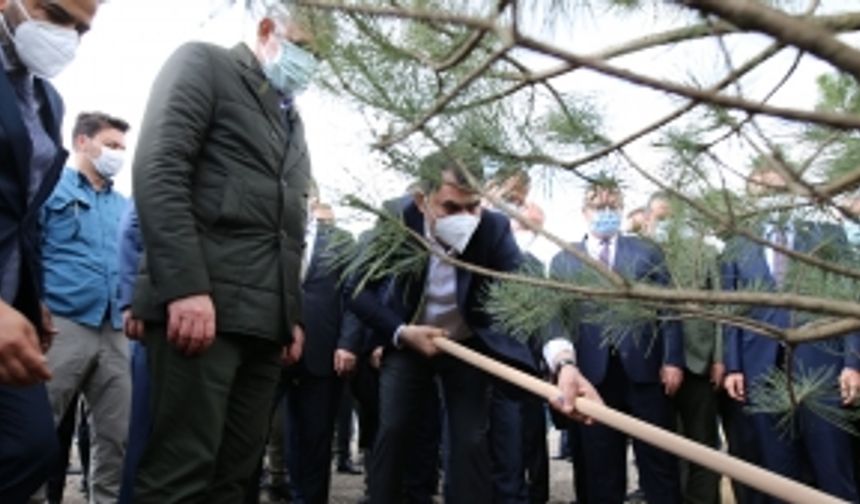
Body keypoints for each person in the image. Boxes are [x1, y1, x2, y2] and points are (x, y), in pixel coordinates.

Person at [128, 2, 320, 501]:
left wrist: (290, 317)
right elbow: (159, 170)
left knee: (236, 479)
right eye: (304, 45)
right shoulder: (204, 66)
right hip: (202, 311)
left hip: (263, 324)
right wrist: (186, 286)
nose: (310, 60)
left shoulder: (292, 122)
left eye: (319, 54)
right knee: (180, 473)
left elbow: (289, 227)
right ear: (265, 29)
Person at [347, 150, 598, 503]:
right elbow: (356, 287)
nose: (465, 218)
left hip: (466, 345)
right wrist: (401, 332)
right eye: (450, 208)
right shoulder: (397, 217)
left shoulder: (493, 228)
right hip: (409, 338)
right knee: (395, 428)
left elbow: (527, 294)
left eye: (473, 206)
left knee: (470, 440)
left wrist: (563, 362)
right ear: (422, 200)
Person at [0, 0, 100, 502]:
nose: (69, 37)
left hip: (11, 303)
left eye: (82, 29)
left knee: (32, 446)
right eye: (58, 16)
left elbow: (26, 213)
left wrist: (28, 295)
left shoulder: (48, 101)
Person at [721, 164, 860, 502]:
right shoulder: (738, 246)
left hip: (822, 371)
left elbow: (851, 301)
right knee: (777, 472)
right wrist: (734, 366)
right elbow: (731, 312)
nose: (773, 199)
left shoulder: (827, 235)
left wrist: (853, 362)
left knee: (833, 466)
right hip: (761, 371)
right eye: (764, 192)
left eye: (779, 190)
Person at [544, 178, 684, 504]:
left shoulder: (648, 251)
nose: (605, 212)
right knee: (599, 469)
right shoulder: (564, 259)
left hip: (647, 374)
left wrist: (673, 359)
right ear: (584, 212)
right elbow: (556, 319)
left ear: (621, 209)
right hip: (593, 379)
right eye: (598, 206)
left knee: (659, 464)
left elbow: (669, 308)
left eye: (612, 206)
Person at [39, 111, 130, 502]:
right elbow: (27, 249)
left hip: (114, 331)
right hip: (60, 325)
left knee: (116, 435)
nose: (118, 155)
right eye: (111, 145)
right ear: (81, 142)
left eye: (123, 148)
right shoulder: (49, 188)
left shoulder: (124, 205)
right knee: (40, 430)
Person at [283, 194, 363, 503]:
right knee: (257, 437)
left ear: (313, 199)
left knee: (317, 439)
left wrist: (347, 343)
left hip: (323, 351)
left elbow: (352, 296)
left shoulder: (341, 241)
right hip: (271, 348)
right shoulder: (272, 230)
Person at [647, 191, 723, 504]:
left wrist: (719, 358)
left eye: (671, 218)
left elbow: (721, 308)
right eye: (659, 218)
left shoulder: (704, 253)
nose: (666, 224)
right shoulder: (638, 254)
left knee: (703, 444)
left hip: (698, 362)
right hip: (651, 366)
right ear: (649, 218)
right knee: (663, 447)